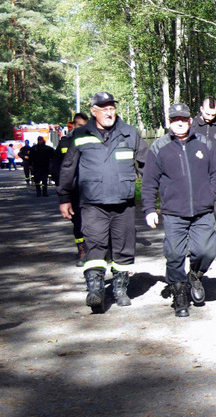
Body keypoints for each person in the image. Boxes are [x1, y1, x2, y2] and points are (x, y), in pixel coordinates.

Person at [57, 92, 149, 311]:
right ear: (93, 111)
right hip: (92, 203)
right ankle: (96, 290)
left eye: (112, 108)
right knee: (95, 245)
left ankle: (120, 289)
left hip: (123, 203)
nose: (109, 113)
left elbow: (147, 165)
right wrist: (64, 197)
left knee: (124, 247)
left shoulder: (130, 133)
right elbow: (68, 168)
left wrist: (154, 194)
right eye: (104, 109)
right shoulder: (80, 134)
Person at [142, 103, 216, 317]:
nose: (179, 123)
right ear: (169, 122)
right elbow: (149, 181)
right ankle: (179, 292)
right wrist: (149, 209)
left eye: (183, 119)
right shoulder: (159, 147)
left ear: (190, 120)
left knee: (207, 250)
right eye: (175, 119)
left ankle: (195, 276)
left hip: (203, 210)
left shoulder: (204, 144)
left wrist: (212, 194)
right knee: (174, 253)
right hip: (174, 212)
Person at [52, 112, 90, 266]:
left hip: (90, 189)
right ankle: (82, 250)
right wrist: (62, 190)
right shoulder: (64, 143)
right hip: (73, 190)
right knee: (77, 222)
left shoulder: (93, 141)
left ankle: (97, 250)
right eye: (79, 125)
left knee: (95, 221)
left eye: (85, 126)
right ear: (73, 125)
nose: (82, 128)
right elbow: (56, 167)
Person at [192, 97, 216, 248]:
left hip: (214, 176)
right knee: (194, 211)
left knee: (214, 212)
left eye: (213, 114)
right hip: (194, 176)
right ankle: (194, 245)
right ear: (201, 109)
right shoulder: (191, 126)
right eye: (207, 114)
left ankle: (212, 246)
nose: (210, 117)